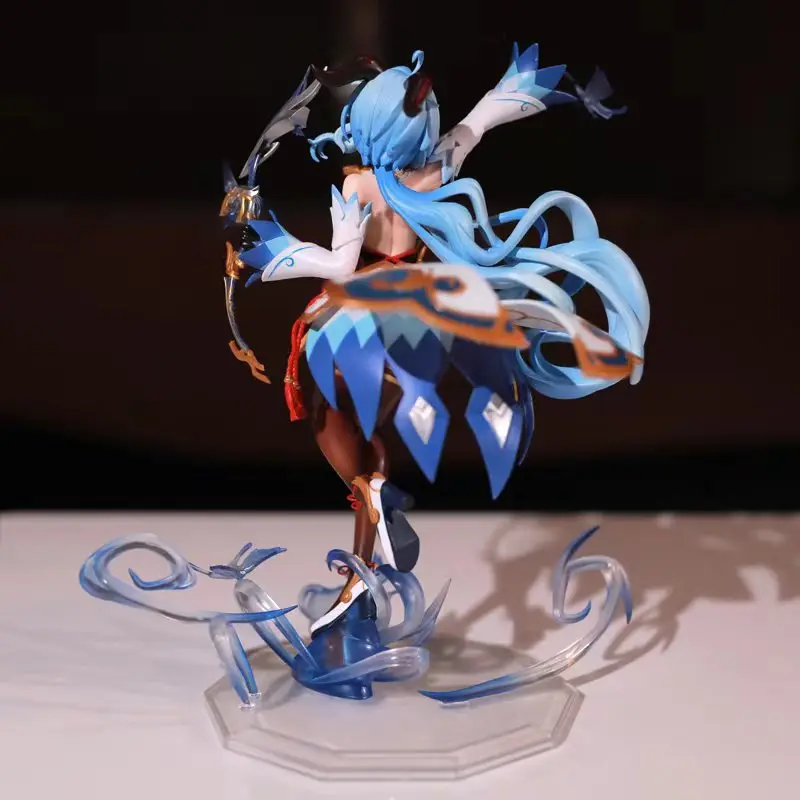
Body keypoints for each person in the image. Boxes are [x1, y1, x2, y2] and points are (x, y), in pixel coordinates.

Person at [224, 45, 650, 639]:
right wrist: (551, 86)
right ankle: (361, 579)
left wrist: (264, 249)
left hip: (364, 313)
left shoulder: (360, 186)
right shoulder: (439, 168)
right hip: (423, 320)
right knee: (368, 444)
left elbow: (340, 265)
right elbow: (485, 116)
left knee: (330, 423)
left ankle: (373, 502)